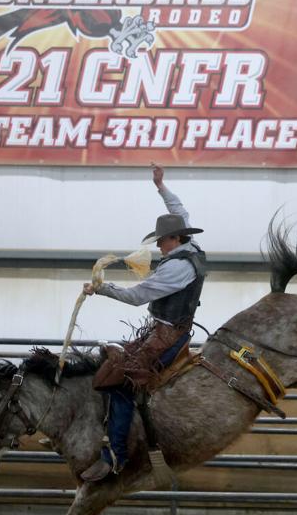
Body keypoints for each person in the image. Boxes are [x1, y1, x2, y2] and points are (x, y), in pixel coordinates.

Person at [79, 163, 207, 481]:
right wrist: (161, 186)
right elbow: (180, 210)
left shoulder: (175, 269)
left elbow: (137, 296)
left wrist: (101, 288)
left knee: (122, 384)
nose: (159, 246)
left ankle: (117, 456)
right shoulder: (191, 250)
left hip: (167, 335)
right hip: (165, 329)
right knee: (115, 371)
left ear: (175, 239)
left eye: (162, 241)